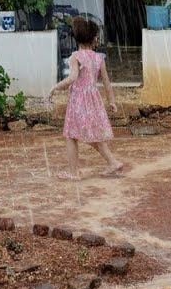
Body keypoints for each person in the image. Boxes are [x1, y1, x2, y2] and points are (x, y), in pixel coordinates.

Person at [50, 17, 126, 180]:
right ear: (94, 39)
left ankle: (73, 172)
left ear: (76, 38)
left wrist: (56, 87)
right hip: (93, 100)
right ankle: (112, 162)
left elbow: (72, 78)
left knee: (71, 135)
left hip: (79, 101)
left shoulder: (75, 56)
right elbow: (106, 81)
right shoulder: (99, 58)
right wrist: (111, 101)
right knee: (91, 134)